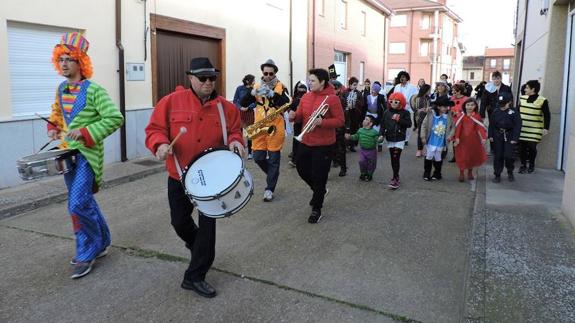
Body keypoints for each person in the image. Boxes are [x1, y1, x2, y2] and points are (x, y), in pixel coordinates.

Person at [145, 57, 244, 298]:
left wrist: (236, 142)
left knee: (208, 230)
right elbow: (154, 130)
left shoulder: (226, 108)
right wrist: (159, 145)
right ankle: (197, 246)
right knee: (179, 222)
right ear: (190, 78)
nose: (209, 82)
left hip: (213, 181)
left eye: (212, 78)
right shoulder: (170, 102)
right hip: (178, 176)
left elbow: (235, 132)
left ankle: (195, 275)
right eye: (203, 78)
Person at [47, 32, 124, 279]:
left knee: (77, 203)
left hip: (88, 156)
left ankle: (87, 250)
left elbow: (115, 118)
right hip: (66, 155)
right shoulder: (61, 89)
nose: (65, 63)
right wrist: (52, 126)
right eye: (62, 59)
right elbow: (58, 114)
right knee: (82, 201)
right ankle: (101, 241)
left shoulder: (95, 91)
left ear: (81, 62)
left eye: (70, 58)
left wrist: (86, 132)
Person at [288, 68, 344, 223]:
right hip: (306, 140)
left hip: (324, 144)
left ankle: (317, 209)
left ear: (322, 82)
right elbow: (300, 115)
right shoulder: (305, 97)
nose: (309, 83)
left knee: (320, 175)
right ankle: (319, 191)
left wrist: (322, 122)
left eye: (312, 81)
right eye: (309, 80)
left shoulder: (332, 99)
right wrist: (293, 117)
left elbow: (340, 121)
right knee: (301, 168)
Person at [241, 59, 290, 202]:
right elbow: (243, 103)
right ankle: (272, 174)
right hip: (260, 128)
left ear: (275, 73)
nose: (268, 76)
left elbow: (287, 105)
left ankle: (269, 189)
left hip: (276, 127)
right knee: (257, 157)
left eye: (271, 73)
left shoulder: (281, 86)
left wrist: (272, 94)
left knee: (274, 160)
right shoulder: (256, 85)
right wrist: (251, 93)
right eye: (265, 73)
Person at [518, 80, 551, 174]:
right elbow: (517, 112)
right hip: (522, 128)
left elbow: (547, 115)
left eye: (527, 87)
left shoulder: (542, 100)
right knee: (521, 148)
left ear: (533, 89)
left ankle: (531, 164)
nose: (525, 89)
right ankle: (523, 165)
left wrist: (546, 128)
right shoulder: (522, 98)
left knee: (532, 147)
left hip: (535, 129)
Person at [488, 91, 522, 183]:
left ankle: (510, 171)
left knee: (508, 156)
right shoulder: (496, 111)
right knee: (498, 156)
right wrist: (490, 135)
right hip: (497, 135)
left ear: (509, 102)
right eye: (500, 104)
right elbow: (491, 124)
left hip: (510, 135)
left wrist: (515, 138)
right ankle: (497, 174)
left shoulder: (514, 112)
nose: (502, 106)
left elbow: (517, 125)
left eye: (504, 104)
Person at [381, 92, 412, 189]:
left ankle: (395, 178)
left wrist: (399, 120)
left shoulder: (405, 112)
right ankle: (396, 176)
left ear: (401, 102)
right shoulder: (386, 112)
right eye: (391, 101)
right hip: (390, 138)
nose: (393, 103)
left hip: (399, 138)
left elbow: (409, 124)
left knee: (395, 157)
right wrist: (381, 134)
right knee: (393, 159)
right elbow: (383, 124)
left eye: (396, 102)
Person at [420, 96, 454, 181]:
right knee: (429, 157)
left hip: (441, 141)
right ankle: (427, 173)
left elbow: (453, 127)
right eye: (444, 106)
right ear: (438, 107)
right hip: (431, 140)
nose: (447, 108)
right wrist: (423, 136)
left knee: (438, 158)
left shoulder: (449, 115)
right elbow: (424, 125)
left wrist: (450, 136)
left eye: (447, 106)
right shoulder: (431, 114)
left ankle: (437, 173)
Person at [453, 98, 488, 182]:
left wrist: (483, 137)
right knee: (462, 156)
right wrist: (456, 138)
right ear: (464, 106)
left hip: (473, 141)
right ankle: (461, 173)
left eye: (472, 105)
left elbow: (480, 127)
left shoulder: (477, 116)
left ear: (475, 106)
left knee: (471, 157)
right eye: (468, 105)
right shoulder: (461, 116)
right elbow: (458, 128)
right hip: (462, 140)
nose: (470, 107)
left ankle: (470, 172)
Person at [345, 115, 383, 181]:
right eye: (364, 119)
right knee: (361, 161)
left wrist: (380, 139)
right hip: (363, 150)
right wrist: (350, 137)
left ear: (370, 124)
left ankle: (369, 175)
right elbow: (356, 136)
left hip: (371, 151)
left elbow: (378, 140)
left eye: (366, 119)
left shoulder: (374, 132)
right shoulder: (360, 130)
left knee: (371, 164)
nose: (364, 120)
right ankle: (363, 173)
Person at [233, 74, 256, 159]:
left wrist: (249, 107)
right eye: (253, 80)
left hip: (249, 113)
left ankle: (250, 153)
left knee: (250, 132)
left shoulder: (254, 90)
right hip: (240, 113)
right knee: (239, 132)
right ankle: (239, 151)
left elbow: (256, 102)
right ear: (247, 81)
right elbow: (235, 100)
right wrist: (240, 107)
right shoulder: (239, 89)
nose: (254, 82)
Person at [393, 71, 418, 146]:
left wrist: (411, 104)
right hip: (398, 108)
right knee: (397, 122)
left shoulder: (412, 87)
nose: (402, 78)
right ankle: (399, 137)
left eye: (403, 77)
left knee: (408, 125)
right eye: (401, 77)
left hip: (408, 108)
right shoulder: (397, 87)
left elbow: (415, 97)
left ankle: (406, 139)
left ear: (407, 78)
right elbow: (394, 96)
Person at [363, 81, 386, 152]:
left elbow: (384, 107)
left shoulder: (381, 97)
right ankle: (369, 144)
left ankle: (380, 144)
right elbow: (364, 107)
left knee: (377, 130)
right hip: (368, 114)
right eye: (372, 89)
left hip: (377, 115)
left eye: (374, 90)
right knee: (368, 129)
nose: (373, 91)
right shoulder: (367, 96)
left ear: (377, 91)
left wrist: (383, 116)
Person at [289, 81, 308, 167]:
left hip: (301, 123)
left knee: (298, 142)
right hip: (300, 123)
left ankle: (296, 160)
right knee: (298, 141)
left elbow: (291, 111)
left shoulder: (297, 100)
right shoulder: (304, 100)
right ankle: (296, 159)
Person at [448, 83, 469, 162]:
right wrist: (451, 111)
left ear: (459, 91)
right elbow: (449, 108)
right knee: (454, 138)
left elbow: (469, 110)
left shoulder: (466, 99)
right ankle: (455, 156)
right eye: (452, 91)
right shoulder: (452, 99)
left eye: (454, 91)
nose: (453, 93)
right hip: (453, 122)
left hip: (463, 122)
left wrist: (459, 113)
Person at [331, 80, 348, 177]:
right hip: (331, 126)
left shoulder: (341, 99)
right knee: (331, 147)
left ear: (338, 89)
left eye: (334, 89)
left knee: (341, 148)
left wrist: (347, 129)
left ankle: (343, 168)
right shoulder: (328, 98)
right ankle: (335, 161)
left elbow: (346, 114)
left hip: (339, 127)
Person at [411, 83, 431, 157]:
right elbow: (414, 108)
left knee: (428, 133)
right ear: (426, 90)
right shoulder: (417, 98)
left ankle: (425, 149)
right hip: (420, 118)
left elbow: (431, 106)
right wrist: (420, 110)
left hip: (428, 117)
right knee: (420, 133)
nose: (430, 91)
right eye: (429, 90)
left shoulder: (429, 98)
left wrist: (429, 109)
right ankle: (419, 149)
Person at [344, 77, 364, 152]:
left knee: (354, 129)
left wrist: (355, 104)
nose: (355, 87)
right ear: (349, 85)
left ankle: (352, 145)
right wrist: (347, 106)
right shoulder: (345, 92)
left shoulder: (358, 93)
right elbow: (342, 102)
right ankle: (346, 144)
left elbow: (362, 103)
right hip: (347, 114)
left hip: (355, 114)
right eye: (354, 85)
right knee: (346, 129)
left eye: (356, 85)